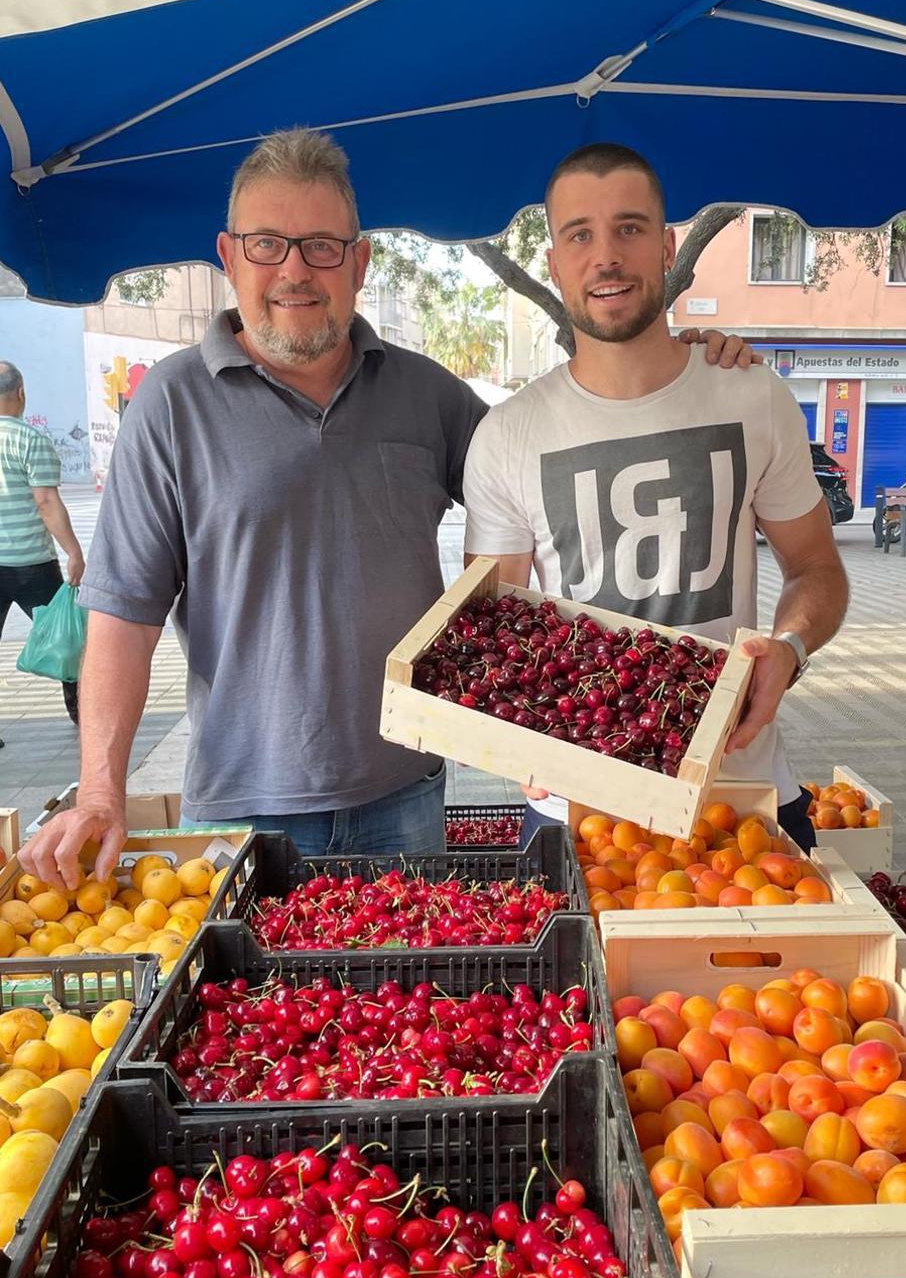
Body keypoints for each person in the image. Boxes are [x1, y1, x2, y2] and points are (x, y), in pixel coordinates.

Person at [20, 128, 753, 887]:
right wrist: (104, 788)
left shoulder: (426, 393)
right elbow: (122, 617)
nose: (295, 270)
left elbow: (559, 464)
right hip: (245, 806)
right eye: (267, 244)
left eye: (322, 246)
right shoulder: (169, 405)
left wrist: (672, 365)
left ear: (360, 262)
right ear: (229, 255)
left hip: (406, 792)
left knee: (408, 1002)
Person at [463, 142, 849, 847]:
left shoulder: (752, 396)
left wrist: (790, 647)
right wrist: (507, 731)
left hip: (742, 804)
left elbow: (818, 568)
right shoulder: (506, 434)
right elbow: (486, 627)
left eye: (630, 228)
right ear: (554, 263)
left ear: (666, 247)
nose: (605, 255)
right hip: (576, 815)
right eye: (580, 234)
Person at [0, 361, 86, 736]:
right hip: (33, 563)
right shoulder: (31, 440)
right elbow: (46, 502)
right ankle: (83, 712)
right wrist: (74, 551)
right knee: (70, 639)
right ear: (21, 393)